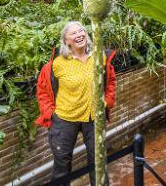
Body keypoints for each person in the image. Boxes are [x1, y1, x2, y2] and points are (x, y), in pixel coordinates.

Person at [35, 21, 117, 186]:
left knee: (98, 162)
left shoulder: (99, 57)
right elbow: (42, 91)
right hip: (64, 120)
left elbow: (110, 83)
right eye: (73, 33)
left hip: (94, 118)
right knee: (62, 165)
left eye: (81, 31)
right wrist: (50, 113)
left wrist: (107, 101)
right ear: (66, 41)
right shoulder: (56, 64)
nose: (79, 34)